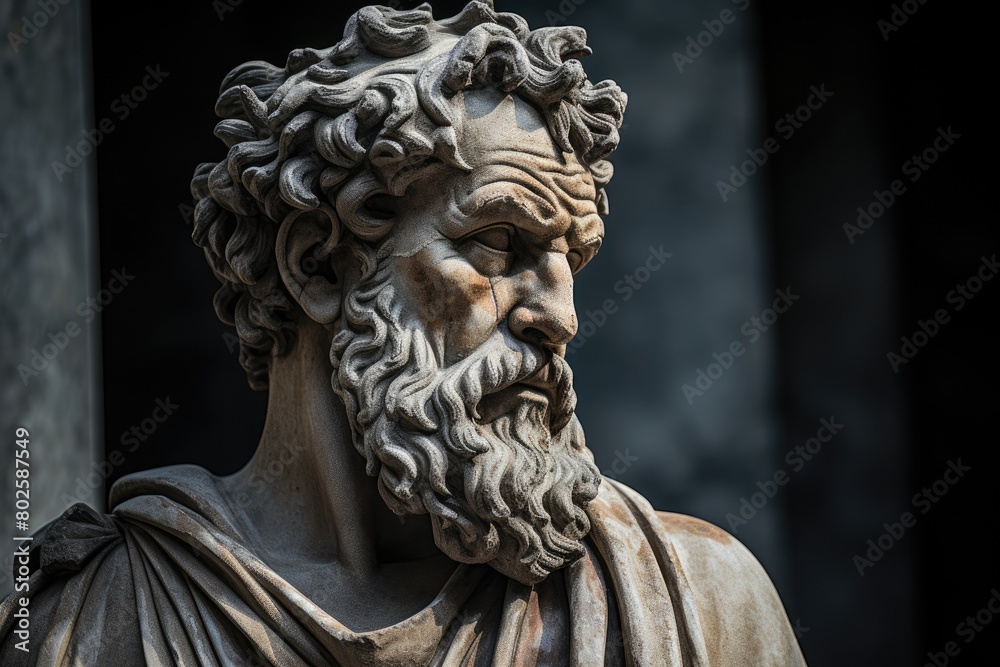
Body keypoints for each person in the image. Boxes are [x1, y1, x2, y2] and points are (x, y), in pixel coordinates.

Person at [0, 2, 807, 664]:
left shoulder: (701, 605)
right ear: (318, 266)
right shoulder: (89, 623)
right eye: (498, 244)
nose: (560, 316)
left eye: (574, 260)